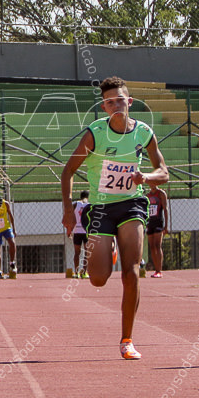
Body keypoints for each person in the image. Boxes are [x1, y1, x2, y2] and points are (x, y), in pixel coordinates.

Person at [61, 76, 168, 360]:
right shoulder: (94, 134)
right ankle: (107, 251)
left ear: (129, 102)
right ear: (104, 107)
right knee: (97, 279)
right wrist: (68, 210)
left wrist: (145, 177)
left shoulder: (144, 133)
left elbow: (164, 173)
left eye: (119, 100)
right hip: (101, 208)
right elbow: (68, 172)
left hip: (132, 204)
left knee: (132, 272)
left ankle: (127, 340)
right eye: (109, 102)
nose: (115, 105)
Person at [145, 183, 168, 278]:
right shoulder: (147, 196)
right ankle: (155, 270)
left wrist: (166, 226)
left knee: (157, 246)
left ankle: (159, 270)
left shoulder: (161, 193)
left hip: (158, 222)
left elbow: (165, 209)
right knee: (152, 247)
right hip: (150, 223)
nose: (152, 185)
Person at [70, 190, 90, 278]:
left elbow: (69, 214)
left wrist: (70, 229)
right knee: (87, 252)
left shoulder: (75, 204)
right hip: (86, 231)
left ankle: (76, 272)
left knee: (77, 253)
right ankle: (84, 272)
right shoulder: (89, 204)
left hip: (77, 230)